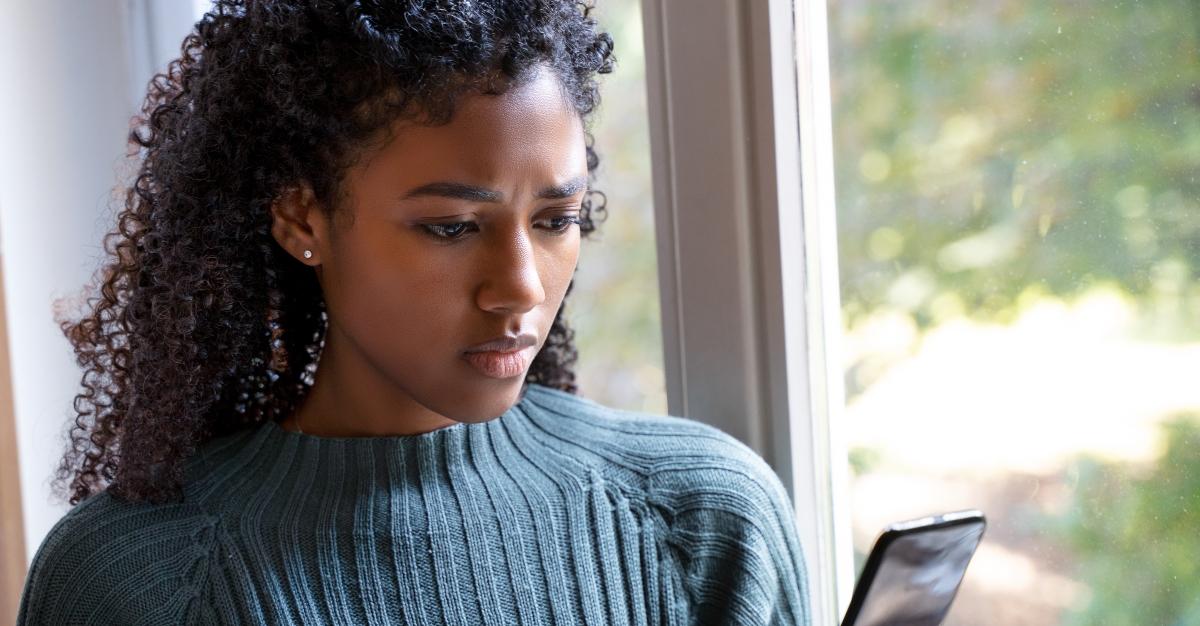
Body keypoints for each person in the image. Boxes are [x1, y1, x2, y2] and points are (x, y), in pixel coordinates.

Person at [16, 1, 811, 624]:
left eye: (555, 219)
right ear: (302, 219)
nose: (523, 287)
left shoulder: (703, 520)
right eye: (452, 227)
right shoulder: (134, 578)